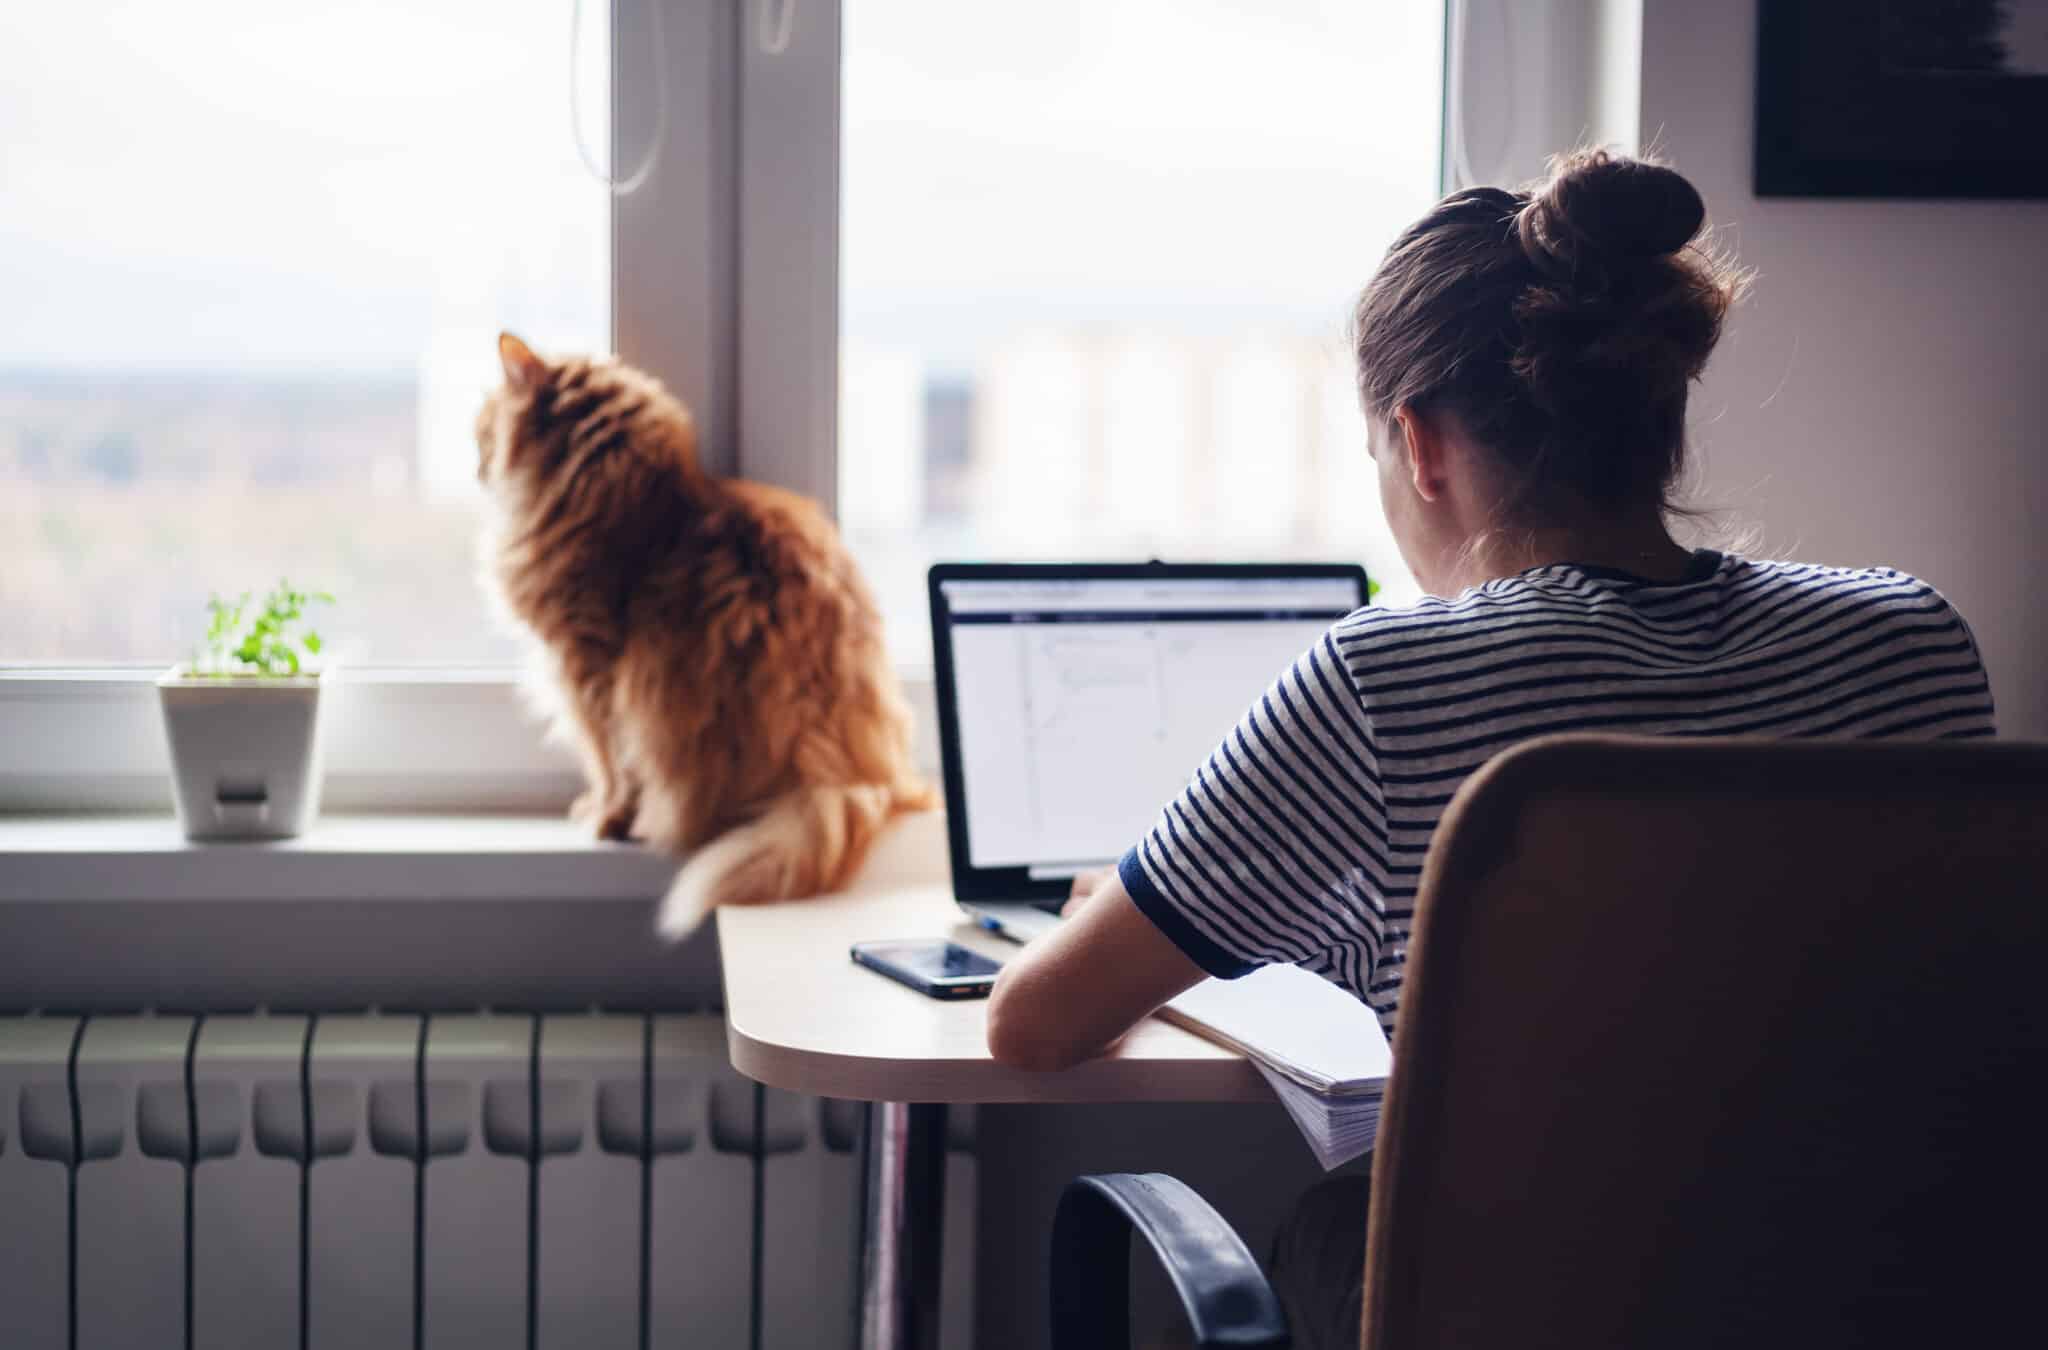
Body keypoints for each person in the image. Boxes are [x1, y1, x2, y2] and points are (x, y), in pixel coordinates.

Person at [984, 150, 1998, 1346]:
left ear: (1417, 444)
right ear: (1660, 410)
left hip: (1532, 1312)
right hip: (1879, 1294)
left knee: (1325, 1227)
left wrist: (1141, 905)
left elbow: (1033, 1025)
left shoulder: (1382, 679)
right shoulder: (1909, 637)